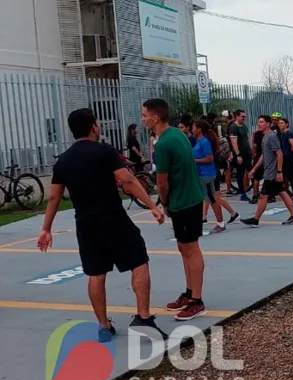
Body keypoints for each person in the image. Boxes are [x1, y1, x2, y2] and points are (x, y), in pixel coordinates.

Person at [37, 108, 167, 342]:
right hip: (113, 217)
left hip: (85, 223)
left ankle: (103, 325)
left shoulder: (64, 160)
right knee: (138, 261)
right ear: (94, 127)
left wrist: (46, 229)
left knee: (95, 273)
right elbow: (127, 181)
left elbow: (55, 197)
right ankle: (144, 318)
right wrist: (153, 206)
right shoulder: (104, 151)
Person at [142, 98, 208, 321]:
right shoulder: (177, 134)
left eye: (144, 115)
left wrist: (165, 202)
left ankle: (197, 300)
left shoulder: (164, 144)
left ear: (155, 117)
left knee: (191, 248)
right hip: (188, 198)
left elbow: (162, 182)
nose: (143, 119)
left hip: (184, 201)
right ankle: (190, 293)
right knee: (183, 247)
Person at [241, 115, 293, 227]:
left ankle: (255, 219)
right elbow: (263, 156)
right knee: (282, 192)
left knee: (264, 195)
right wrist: (254, 169)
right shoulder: (265, 137)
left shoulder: (272, 137)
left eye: (262, 122)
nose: (259, 124)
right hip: (269, 170)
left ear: (268, 124)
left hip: (272, 172)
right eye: (258, 122)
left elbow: (279, 154)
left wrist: (279, 172)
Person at [192, 119, 227, 234]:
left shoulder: (204, 142)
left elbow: (209, 158)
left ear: (199, 129)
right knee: (206, 198)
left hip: (206, 174)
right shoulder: (198, 140)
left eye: (193, 127)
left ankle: (220, 223)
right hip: (201, 174)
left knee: (212, 199)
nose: (192, 129)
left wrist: (194, 161)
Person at [229, 110, 253, 202]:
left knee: (251, 171)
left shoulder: (244, 126)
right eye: (242, 116)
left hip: (247, 153)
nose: (244, 118)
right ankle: (242, 193)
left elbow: (248, 139)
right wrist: (238, 155)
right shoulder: (233, 127)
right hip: (240, 154)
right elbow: (234, 142)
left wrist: (251, 150)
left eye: (244, 116)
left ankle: (252, 190)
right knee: (241, 173)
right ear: (237, 116)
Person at [278, 118, 293, 202]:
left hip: (288, 158)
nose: (280, 125)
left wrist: (291, 150)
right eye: (279, 123)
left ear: (286, 124)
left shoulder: (288, 134)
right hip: (284, 157)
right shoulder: (282, 134)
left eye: (282, 123)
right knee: (285, 176)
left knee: (292, 177)